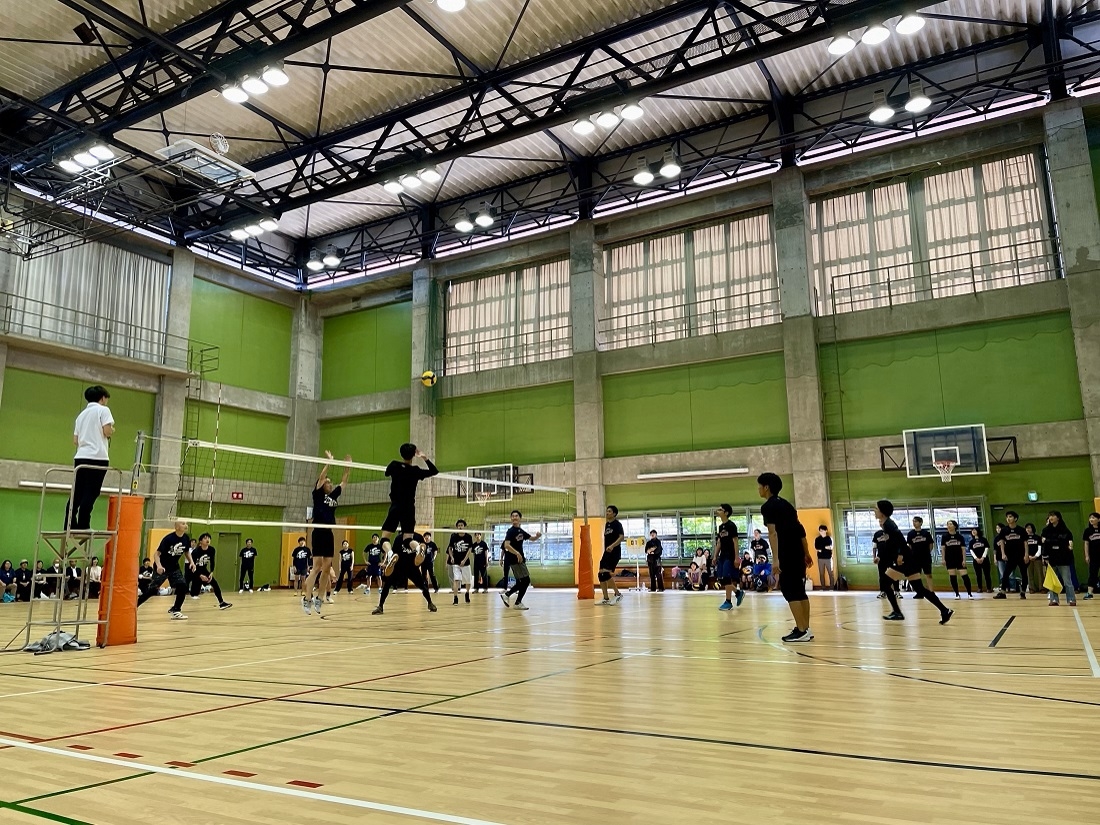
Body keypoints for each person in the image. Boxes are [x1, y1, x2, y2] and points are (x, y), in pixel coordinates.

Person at [877, 500, 953, 625]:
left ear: (882, 511)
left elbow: (900, 541)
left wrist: (900, 554)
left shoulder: (889, 525)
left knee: (885, 583)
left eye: (876, 508)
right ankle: (944, 610)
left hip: (904, 560)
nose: (874, 511)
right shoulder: (886, 524)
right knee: (919, 588)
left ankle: (897, 612)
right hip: (909, 560)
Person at [757, 473, 812, 642]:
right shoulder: (788, 505)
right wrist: (806, 553)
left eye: (759, 486)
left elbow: (773, 533)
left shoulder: (768, 507)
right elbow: (801, 531)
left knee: (790, 591)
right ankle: (805, 628)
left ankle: (801, 631)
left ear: (766, 487)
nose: (758, 489)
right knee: (800, 591)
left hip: (786, 553)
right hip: (798, 552)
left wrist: (775, 560)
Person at [302, 451, 350, 616]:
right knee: (316, 567)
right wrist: (329, 462)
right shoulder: (317, 494)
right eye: (328, 482)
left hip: (329, 533)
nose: (330, 484)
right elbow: (322, 477)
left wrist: (347, 467)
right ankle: (307, 598)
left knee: (327, 567)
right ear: (322, 485)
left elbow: (344, 481)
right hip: (318, 532)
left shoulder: (333, 496)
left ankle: (319, 598)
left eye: (330, 483)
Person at [67, 385, 114, 531]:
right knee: (92, 491)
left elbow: (75, 440)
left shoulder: (81, 415)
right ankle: (83, 524)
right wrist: (112, 430)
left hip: (80, 457)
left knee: (78, 491)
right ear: (102, 398)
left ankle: (69, 522)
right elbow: (107, 431)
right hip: (97, 458)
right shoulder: (103, 410)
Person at [379, 443, 439, 556]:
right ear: (413, 455)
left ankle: (390, 554)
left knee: (384, 539)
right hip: (409, 508)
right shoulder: (415, 470)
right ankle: (418, 548)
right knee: (407, 540)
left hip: (396, 506)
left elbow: (386, 473)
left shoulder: (394, 465)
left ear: (401, 453)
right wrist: (424, 457)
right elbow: (434, 471)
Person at [137, 520, 196, 619]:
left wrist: (192, 562)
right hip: (162, 566)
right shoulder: (169, 539)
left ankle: (176, 610)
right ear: (176, 527)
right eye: (183, 524)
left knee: (182, 587)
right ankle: (135, 605)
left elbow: (186, 552)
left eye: (186, 523)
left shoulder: (186, 538)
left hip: (174, 567)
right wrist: (159, 566)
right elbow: (157, 554)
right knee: (152, 590)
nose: (186, 525)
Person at [371, 531, 437, 615]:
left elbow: (422, 554)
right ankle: (380, 606)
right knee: (387, 585)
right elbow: (394, 555)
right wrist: (389, 563)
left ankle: (430, 603)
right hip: (399, 566)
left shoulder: (418, 537)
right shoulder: (399, 538)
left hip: (412, 567)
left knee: (423, 585)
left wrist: (419, 562)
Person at [500, 510, 541, 611]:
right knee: (526, 581)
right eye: (513, 516)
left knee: (521, 582)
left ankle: (508, 595)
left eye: (516, 516)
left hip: (520, 560)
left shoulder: (520, 531)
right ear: (511, 519)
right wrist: (517, 553)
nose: (514, 517)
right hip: (515, 560)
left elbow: (531, 538)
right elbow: (506, 545)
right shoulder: (511, 531)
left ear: (520, 518)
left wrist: (537, 536)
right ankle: (516, 601)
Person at [189, 533, 232, 610]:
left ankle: (221, 603)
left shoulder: (211, 550)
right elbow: (192, 566)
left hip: (204, 570)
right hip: (195, 571)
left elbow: (212, 562)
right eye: (205, 538)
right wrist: (200, 575)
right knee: (194, 593)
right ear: (201, 541)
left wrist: (211, 572)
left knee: (215, 584)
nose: (207, 540)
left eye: (209, 538)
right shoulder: (195, 552)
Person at [1043, 511, 1076, 607]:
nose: (1051, 518)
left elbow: (1068, 544)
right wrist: (1045, 556)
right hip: (1051, 559)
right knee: (1052, 581)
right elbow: (1044, 544)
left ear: (1058, 518)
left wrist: (1052, 541)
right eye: (1049, 516)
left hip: (1063, 559)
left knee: (1067, 581)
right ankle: (1054, 599)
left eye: (1053, 516)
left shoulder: (1065, 531)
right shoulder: (1046, 531)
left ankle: (1071, 599)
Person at [714, 504, 744, 610]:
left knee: (726, 578)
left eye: (720, 509)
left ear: (726, 513)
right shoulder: (720, 527)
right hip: (722, 556)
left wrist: (736, 557)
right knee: (722, 579)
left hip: (730, 555)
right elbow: (719, 542)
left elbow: (735, 541)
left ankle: (728, 601)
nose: (718, 510)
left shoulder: (731, 525)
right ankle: (738, 593)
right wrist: (715, 556)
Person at [996, 512, 1029, 599]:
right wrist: (1003, 553)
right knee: (1006, 574)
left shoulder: (1021, 530)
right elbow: (1002, 542)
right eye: (1007, 517)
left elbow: (1025, 543)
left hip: (1021, 555)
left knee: (1024, 574)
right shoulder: (1004, 530)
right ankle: (1002, 592)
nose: (1008, 518)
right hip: (1010, 556)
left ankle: (1023, 592)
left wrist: (1026, 554)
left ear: (1015, 518)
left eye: (1010, 517)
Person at [597, 505, 625, 605]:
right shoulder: (607, 524)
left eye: (609, 511)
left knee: (606, 573)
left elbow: (621, 537)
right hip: (607, 553)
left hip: (614, 552)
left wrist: (612, 546)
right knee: (600, 574)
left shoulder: (617, 524)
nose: (607, 513)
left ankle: (618, 594)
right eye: (607, 511)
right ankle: (606, 598)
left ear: (614, 514)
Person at [941, 520, 972, 600]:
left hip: (959, 558)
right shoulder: (944, 537)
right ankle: (957, 594)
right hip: (949, 559)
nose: (949, 526)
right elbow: (943, 549)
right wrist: (943, 559)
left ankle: (969, 593)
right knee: (953, 576)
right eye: (947, 524)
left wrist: (964, 560)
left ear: (955, 526)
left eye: (950, 524)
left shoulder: (960, 537)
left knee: (964, 576)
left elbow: (963, 549)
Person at [906, 516, 935, 597]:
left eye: (916, 521)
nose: (914, 523)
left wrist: (927, 553)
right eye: (913, 521)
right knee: (917, 576)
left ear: (920, 522)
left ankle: (931, 592)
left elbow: (931, 544)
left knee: (928, 574)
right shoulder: (910, 534)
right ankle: (920, 592)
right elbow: (910, 546)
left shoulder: (926, 533)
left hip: (926, 557)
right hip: (915, 558)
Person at [447, 520, 474, 605]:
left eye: (461, 525)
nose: (460, 527)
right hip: (456, 563)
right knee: (456, 580)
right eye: (458, 525)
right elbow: (450, 548)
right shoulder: (453, 536)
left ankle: (467, 593)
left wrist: (464, 560)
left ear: (464, 526)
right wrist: (451, 557)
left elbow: (470, 549)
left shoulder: (468, 537)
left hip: (466, 563)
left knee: (468, 581)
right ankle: (455, 598)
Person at [969, 528, 993, 593]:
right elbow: (971, 551)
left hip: (985, 560)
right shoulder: (971, 541)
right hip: (976, 560)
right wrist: (976, 558)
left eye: (974, 530)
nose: (973, 532)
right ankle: (980, 588)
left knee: (987, 574)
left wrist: (983, 557)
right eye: (972, 531)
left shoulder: (983, 539)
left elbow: (986, 548)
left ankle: (989, 588)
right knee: (978, 575)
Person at [1084, 512, 1100, 600]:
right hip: (1093, 556)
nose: (1091, 519)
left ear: (1098, 519)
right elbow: (1086, 544)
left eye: (1093, 518)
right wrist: (1087, 555)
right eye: (1090, 518)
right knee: (1093, 574)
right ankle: (1089, 593)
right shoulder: (1088, 531)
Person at [814, 525, 836, 590]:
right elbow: (817, 548)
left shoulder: (829, 538)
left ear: (826, 530)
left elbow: (830, 547)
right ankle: (823, 587)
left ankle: (832, 587)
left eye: (823, 530)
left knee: (830, 573)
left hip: (828, 558)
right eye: (820, 531)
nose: (821, 532)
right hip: (820, 558)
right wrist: (825, 547)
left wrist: (823, 548)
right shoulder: (817, 539)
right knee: (821, 573)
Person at [1025, 522, 1043, 593]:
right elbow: (1023, 548)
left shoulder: (1037, 537)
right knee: (1029, 574)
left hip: (1037, 558)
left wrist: (1036, 556)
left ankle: (1042, 588)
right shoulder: (1024, 538)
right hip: (1028, 558)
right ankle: (1031, 588)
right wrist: (1028, 556)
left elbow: (1040, 548)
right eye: (1026, 528)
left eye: (1029, 528)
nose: (1028, 529)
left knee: (1040, 573)